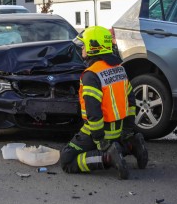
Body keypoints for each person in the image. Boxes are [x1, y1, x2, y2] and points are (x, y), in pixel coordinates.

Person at [60, 26, 148, 180]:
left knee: (67, 160)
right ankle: (132, 145)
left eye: (84, 46)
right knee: (116, 144)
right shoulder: (119, 69)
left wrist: (99, 140)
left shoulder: (91, 75)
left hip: (101, 131)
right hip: (119, 128)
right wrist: (128, 128)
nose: (82, 51)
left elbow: (94, 112)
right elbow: (131, 100)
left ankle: (107, 158)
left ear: (94, 48)